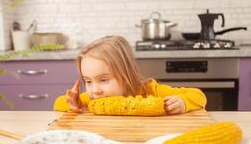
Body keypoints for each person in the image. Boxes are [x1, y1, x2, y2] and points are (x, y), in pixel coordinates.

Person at [53, 36, 206, 114]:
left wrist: (182, 102)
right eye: (88, 81)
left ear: (126, 73)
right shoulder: (93, 97)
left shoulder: (151, 91)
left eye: (104, 80)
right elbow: (57, 103)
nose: (95, 90)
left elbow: (198, 96)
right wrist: (73, 104)